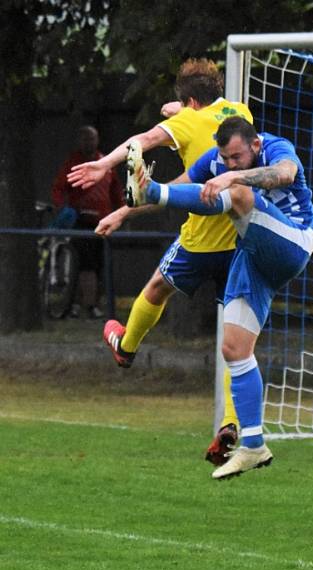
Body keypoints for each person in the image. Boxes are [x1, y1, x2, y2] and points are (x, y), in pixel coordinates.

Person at [67, 58, 251, 462]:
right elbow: (184, 174)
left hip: (201, 241)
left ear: (187, 100)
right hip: (239, 242)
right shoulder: (240, 114)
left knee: (156, 287)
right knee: (237, 339)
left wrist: (103, 164)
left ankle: (126, 347)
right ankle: (233, 421)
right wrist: (124, 211)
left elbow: (143, 140)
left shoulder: (185, 124)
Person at [126, 115, 313, 480]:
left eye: (237, 157)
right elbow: (184, 185)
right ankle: (254, 446)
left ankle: (150, 191)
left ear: (255, 145)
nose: (229, 164)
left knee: (240, 195)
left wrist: (233, 178)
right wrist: (129, 205)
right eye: (225, 159)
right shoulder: (214, 162)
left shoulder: (275, 147)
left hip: (294, 241)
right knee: (234, 349)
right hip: (254, 254)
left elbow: (285, 174)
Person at [51, 125, 124, 318]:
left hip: (103, 221)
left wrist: (123, 213)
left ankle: (92, 303)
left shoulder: (106, 163)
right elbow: (59, 188)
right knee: (84, 265)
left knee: (99, 265)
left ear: (97, 140)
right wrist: (61, 208)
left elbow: (116, 192)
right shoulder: (73, 163)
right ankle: (86, 305)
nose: (88, 142)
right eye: (84, 138)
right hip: (81, 222)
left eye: (91, 138)